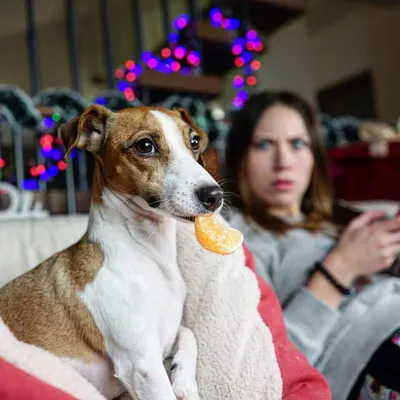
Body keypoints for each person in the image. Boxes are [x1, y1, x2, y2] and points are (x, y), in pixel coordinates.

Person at [223, 90, 400, 400]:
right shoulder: (238, 238)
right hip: (371, 352)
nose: (283, 162)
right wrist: (340, 269)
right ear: (239, 157)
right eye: (264, 145)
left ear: (314, 155)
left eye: (297, 144)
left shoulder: (339, 215)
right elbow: (264, 367)